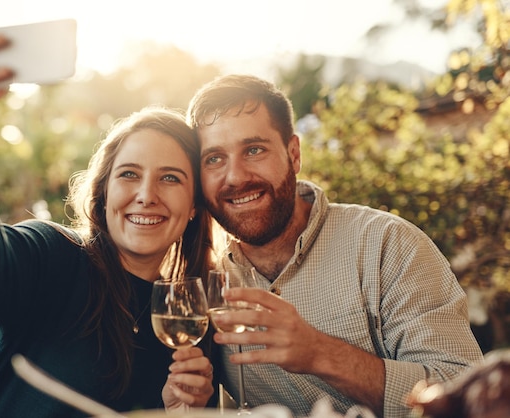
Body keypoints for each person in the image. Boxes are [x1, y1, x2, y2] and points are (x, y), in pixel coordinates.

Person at [0, 19, 216, 418]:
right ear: (104, 193)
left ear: (194, 205)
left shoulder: (186, 317)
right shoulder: (56, 258)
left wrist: (177, 411)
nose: (146, 195)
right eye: (129, 174)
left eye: (170, 178)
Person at [186, 74, 484, 417]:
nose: (236, 176)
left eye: (254, 150)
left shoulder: (388, 245)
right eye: (214, 159)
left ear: (293, 154)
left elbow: (464, 397)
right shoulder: (208, 279)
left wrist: (319, 353)